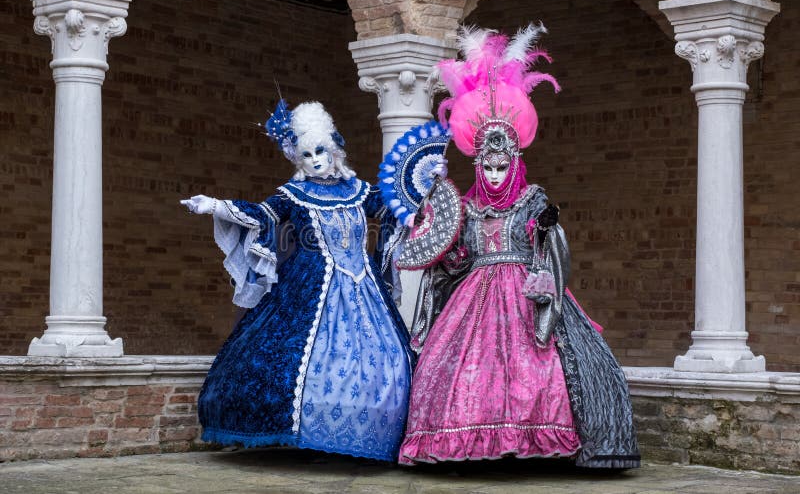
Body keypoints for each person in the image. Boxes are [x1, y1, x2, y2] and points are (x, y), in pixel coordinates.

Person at [397, 24, 640, 468]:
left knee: (544, 364)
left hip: (527, 292)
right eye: (486, 168)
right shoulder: (465, 208)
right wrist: (435, 236)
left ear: (514, 162)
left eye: (500, 166)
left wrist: (547, 233)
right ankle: (466, 442)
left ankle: (539, 441)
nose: (492, 175)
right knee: (452, 369)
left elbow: (549, 250)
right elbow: (457, 259)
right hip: (473, 296)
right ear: (477, 165)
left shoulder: (533, 200)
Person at [180, 99, 413, 462]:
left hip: (364, 288)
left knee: (387, 357)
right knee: (288, 355)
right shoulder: (293, 195)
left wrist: (419, 195)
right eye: (307, 155)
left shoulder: (360, 191)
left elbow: (394, 209)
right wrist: (215, 205)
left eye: (320, 150)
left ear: (334, 149)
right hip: (307, 285)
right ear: (298, 160)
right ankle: (309, 432)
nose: (316, 159)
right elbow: (261, 214)